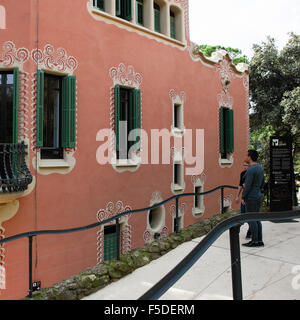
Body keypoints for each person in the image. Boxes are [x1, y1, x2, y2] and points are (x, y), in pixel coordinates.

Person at [242, 149, 265, 247]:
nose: (246, 157)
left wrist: (243, 196)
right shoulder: (260, 168)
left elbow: (247, 185)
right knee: (257, 218)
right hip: (258, 194)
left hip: (251, 196)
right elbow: (263, 182)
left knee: (251, 218)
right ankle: (259, 240)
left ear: (250, 157)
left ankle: (254, 241)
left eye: (247, 155)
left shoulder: (251, 169)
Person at [235, 161, 251, 239]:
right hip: (244, 197)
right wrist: (237, 196)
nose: (245, 167)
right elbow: (240, 185)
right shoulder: (242, 174)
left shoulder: (252, 174)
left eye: (246, 165)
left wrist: (244, 198)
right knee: (242, 215)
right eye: (244, 165)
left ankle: (250, 232)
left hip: (250, 198)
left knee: (250, 216)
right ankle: (236, 230)